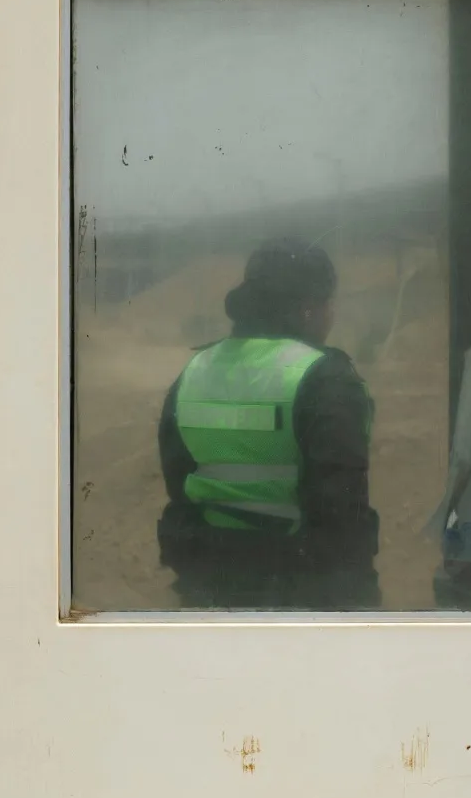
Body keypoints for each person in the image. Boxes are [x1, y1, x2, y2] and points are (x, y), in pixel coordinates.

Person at [156, 238, 379, 609]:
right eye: (329, 302)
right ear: (309, 309)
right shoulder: (324, 378)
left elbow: (178, 482)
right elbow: (340, 509)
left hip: (210, 588)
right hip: (298, 590)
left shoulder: (193, 372)